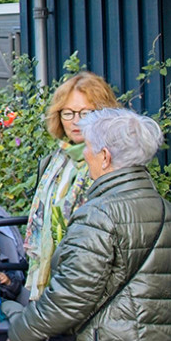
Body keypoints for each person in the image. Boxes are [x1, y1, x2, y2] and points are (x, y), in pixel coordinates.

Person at [6, 108, 171, 341]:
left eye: (89, 148)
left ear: (105, 157)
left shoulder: (99, 216)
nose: (85, 155)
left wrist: (21, 332)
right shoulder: (169, 213)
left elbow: (69, 298)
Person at [21, 71, 119, 299]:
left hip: (91, 287)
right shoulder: (55, 163)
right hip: (55, 285)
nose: (76, 121)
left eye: (85, 112)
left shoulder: (112, 162)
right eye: (68, 113)